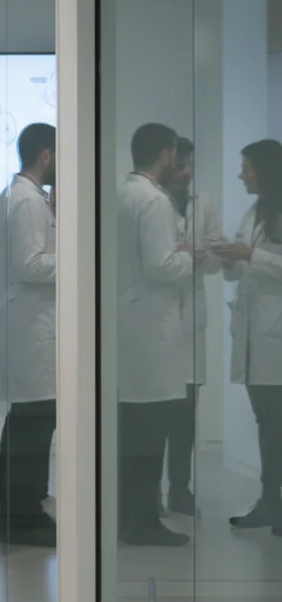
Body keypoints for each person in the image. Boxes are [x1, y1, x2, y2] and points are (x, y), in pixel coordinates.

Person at [116, 123, 194, 547]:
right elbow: (161, 266)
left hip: (129, 327)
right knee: (150, 431)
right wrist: (190, 257)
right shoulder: (154, 201)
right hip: (151, 330)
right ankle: (143, 522)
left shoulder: (121, 195)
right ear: (166, 154)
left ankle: (126, 516)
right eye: (175, 156)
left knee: (130, 430)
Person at [0, 123, 58, 547]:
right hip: (33, 327)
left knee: (29, 422)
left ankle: (21, 509)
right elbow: (32, 265)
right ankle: (22, 515)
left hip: (30, 325)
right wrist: (76, 255)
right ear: (46, 156)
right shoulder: (28, 202)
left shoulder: (22, 198)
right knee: (32, 423)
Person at [214, 139, 282, 536]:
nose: (241, 174)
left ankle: (273, 502)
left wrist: (249, 256)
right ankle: (270, 502)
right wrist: (228, 260)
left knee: (276, 427)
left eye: (248, 168)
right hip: (256, 337)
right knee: (267, 424)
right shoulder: (255, 212)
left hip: (275, 340)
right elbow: (241, 272)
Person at [160, 137, 222, 517]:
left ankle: (180, 490)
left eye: (191, 165)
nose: (187, 173)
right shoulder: (150, 203)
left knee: (185, 418)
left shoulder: (204, 204)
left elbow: (214, 259)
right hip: (158, 323)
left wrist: (199, 254)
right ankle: (148, 495)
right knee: (153, 418)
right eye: (181, 165)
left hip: (191, 322)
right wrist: (188, 255)